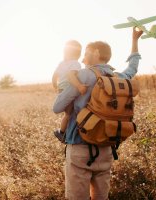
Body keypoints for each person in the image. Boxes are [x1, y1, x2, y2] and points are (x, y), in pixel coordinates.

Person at [53, 27, 143, 200]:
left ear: (95, 52)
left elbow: (57, 107)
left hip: (80, 148)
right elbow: (133, 67)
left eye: (86, 52)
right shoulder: (118, 78)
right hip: (106, 149)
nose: (83, 57)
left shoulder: (83, 75)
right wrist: (135, 41)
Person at [52, 40, 87, 143]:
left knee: (68, 114)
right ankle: (62, 133)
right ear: (79, 54)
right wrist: (79, 86)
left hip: (61, 89)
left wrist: (55, 86)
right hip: (69, 90)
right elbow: (71, 76)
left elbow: (55, 75)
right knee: (69, 114)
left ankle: (64, 131)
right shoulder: (75, 64)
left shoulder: (62, 63)